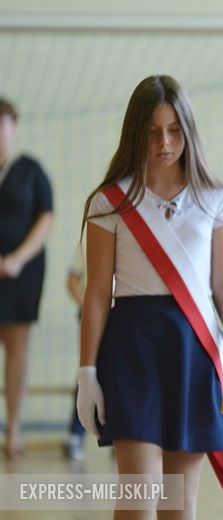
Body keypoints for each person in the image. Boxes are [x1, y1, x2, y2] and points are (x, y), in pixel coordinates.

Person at [77, 75, 223, 518]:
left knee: (179, 504)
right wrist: (87, 371)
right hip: (132, 349)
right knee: (137, 499)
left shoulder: (215, 199)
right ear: (135, 134)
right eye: (152, 132)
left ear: (188, 130)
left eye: (174, 130)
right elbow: (96, 292)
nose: (164, 142)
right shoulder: (109, 202)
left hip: (196, 351)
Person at [0, 97, 54, 460]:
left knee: (17, 346)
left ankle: (14, 430)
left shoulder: (32, 170)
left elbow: (46, 219)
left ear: (13, 128)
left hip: (21, 274)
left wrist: (16, 260)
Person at [63, 242, 87, 462]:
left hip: (124, 314)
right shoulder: (86, 243)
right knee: (88, 372)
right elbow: (72, 281)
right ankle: (75, 434)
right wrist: (88, 305)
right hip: (93, 314)